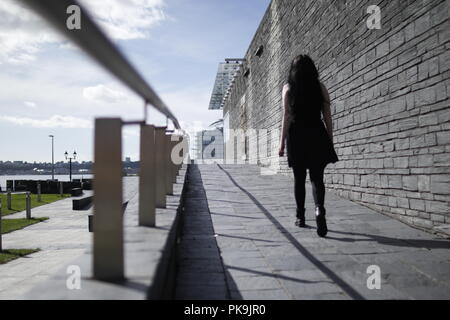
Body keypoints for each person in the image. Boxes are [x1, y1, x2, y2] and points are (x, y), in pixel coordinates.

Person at [278, 55, 338, 237]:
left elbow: (286, 117)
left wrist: (281, 144)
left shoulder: (288, 89)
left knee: (299, 178)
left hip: (297, 136)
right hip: (317, 133)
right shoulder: (320, 87)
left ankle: (301, 216)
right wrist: (330, 139)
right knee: (317, 178)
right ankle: (319, 209)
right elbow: (327, 116)